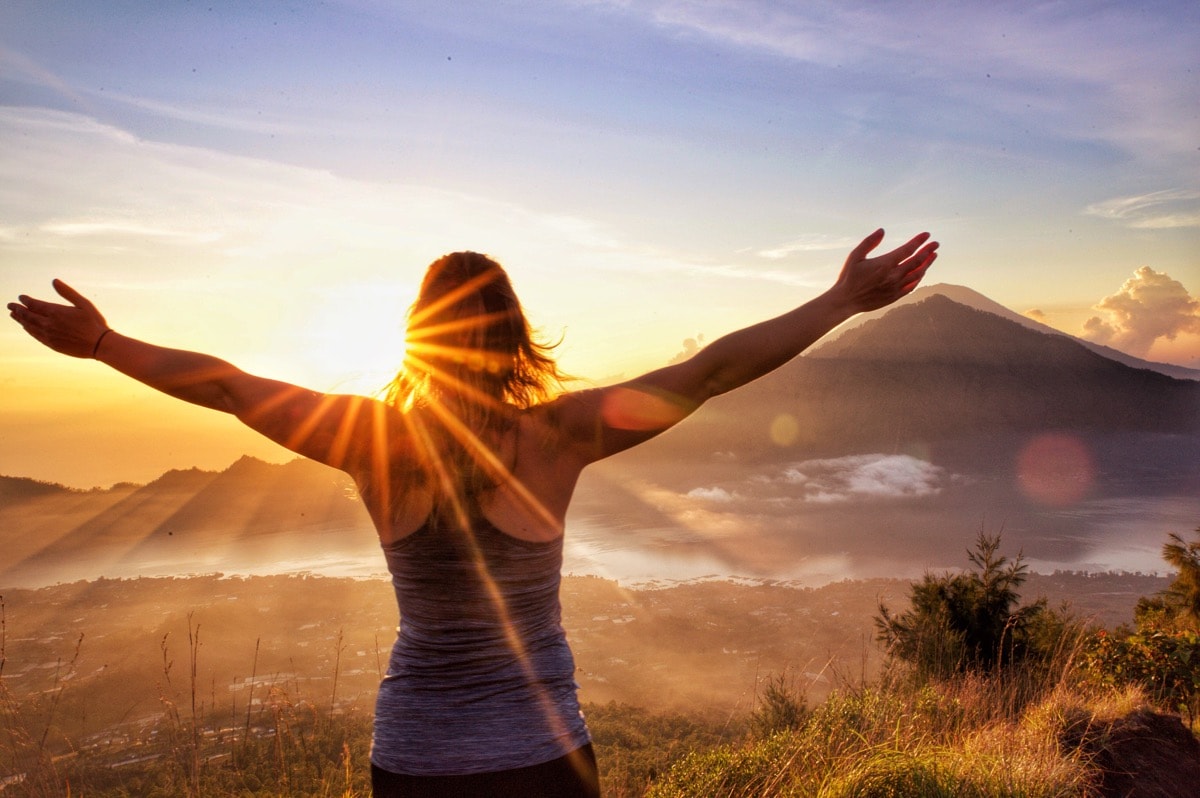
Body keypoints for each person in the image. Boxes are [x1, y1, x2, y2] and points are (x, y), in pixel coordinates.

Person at [8, 228, 937, 797]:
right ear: (513, 338)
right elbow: (708, 373)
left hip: (411, 760)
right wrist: (839, 302)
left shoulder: (371, 440)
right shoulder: (563, 435)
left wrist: (105, 343)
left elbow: (226, 388)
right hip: (540, 757)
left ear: (419, 337)